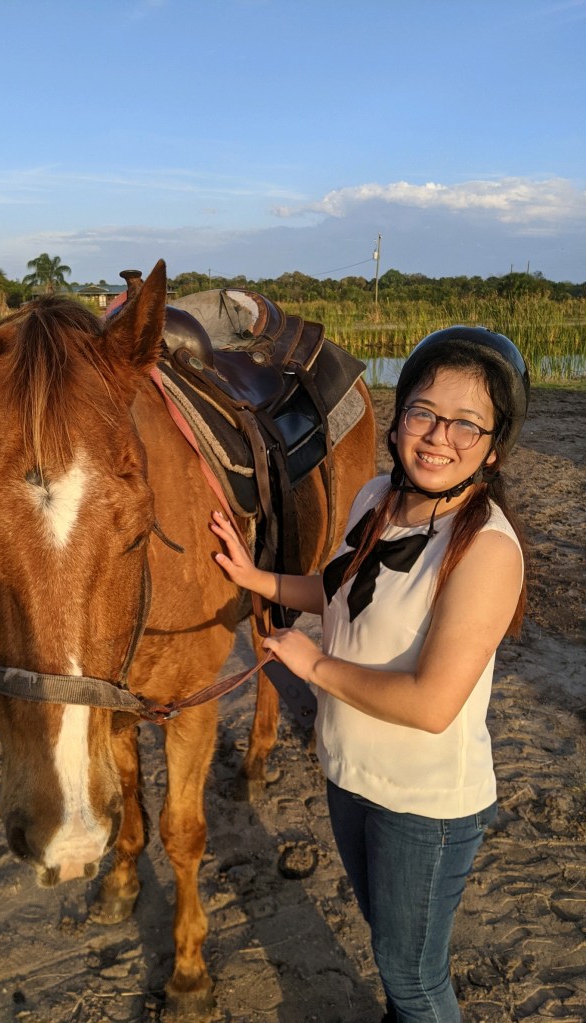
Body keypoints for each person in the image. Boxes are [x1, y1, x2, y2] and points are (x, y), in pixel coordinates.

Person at [210, 326, 529, 1022]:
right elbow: (337, 588)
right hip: (350, 774)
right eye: (424, 411)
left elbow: (433, 702)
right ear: (398, 417)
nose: (439, 435)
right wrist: (255, 576)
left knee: (414, 979)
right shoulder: (377, 496)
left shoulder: (485, 549)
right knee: (393, 952)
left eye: (467, 423)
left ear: (495, 445)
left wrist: (315, 663)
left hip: (424, 805)